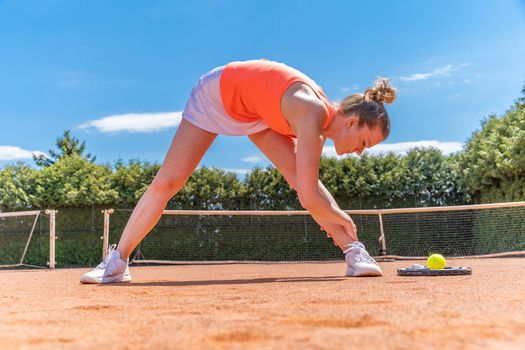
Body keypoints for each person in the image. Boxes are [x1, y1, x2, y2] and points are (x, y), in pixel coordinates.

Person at [80, 59, 396, 284]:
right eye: (364, 143)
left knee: (300, 179)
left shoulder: (317, 116)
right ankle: (117, 261)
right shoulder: (311, 115)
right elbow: (310, 197)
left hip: (257, 113)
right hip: (217, 95)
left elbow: (307, 188)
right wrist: (343, 217)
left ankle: (355, 253)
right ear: (352, 122)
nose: (359, 151)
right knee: (169, 180)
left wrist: (336, 214)